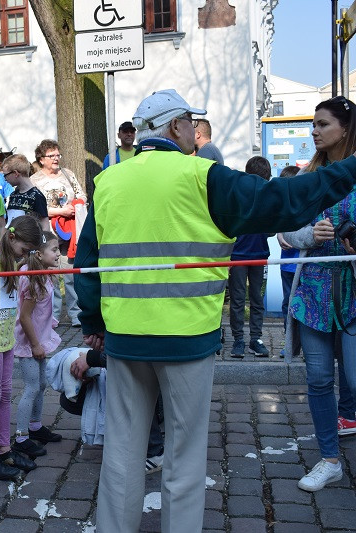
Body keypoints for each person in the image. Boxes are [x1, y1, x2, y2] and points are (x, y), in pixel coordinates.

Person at [74, 89, 356, 532]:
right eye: (191, 122)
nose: (196, 131)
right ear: (175, 128)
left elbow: (86, 263)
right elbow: (284, 201)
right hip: (188, 339)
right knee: (184, 460)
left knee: (122, 455)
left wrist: (92, 323)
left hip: (126, 339)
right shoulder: (206, 176)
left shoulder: (108, 181)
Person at [281, 95, 356, 492]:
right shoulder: (307, 175)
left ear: (345, 129)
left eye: (323, 124)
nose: (314, 131)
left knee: (355, 379)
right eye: (313, 124)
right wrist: (307, 235)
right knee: (320, 379)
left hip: (353, 294)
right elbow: (283, 231)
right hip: (312, 296)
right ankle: (330, 460)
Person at [0, 215, 43, 479]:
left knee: (5, 396)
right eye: (24, 250)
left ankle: (3, 449)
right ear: (11, 237)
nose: (25, 256)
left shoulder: (9, 259)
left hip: (5, 340)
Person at [12, 232, 62, 459]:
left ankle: (35, 426)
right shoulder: (33, 278)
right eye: (55, 250)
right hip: (29, 341)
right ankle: (21, 437)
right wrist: (35, 345)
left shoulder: (43, 275)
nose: (59, 254)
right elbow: (25, 317)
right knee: (32, 387)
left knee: (41, 384)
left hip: (39, 338)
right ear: (40, 254)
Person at [31, 139, 86, 327]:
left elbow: (82, 195)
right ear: (41, 159)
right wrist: (59, 212)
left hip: (70, 233)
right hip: (48, 233)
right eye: (51, 156)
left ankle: (75, 314)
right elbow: (34, 208)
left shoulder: (68, 174)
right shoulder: (35, 180)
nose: (56, 159)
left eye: (57, 155)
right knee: (51, 276)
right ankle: (52, 316)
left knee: (70, 274)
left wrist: (74, 206)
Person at [228, 156, 273, 358]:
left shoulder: (268, 197)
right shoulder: (238, 196)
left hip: (260, 256)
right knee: (237, 300)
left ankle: (255, 339)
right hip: (238, 256)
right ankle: (238, 340)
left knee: (257, 299)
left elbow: (272, 230)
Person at [276, 165, 302, 358]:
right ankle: (290, 345)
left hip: (303, 266)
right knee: (288, 306)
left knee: (303, 306)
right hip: (287, 266)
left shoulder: (307, 204)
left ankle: (306, 347)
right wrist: (279, 234)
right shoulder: (284, 206)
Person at [1, 154, 49, 232]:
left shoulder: (36, 196)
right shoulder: (14, 195)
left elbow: (45, 225)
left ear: (16, 173)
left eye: (5, 175)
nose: (5, 179)